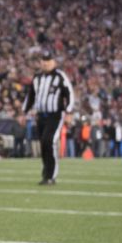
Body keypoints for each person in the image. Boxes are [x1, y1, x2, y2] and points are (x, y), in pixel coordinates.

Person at [22, 50, 74, 185]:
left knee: (49, 141)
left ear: (53, 62)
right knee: (43, 144)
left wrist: (69, 111)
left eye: (48, 61)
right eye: (43, 61)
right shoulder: (37, 77)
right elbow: (31, 96)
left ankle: (51, 175)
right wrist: (24, 112)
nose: (45, 64)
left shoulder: (60, 76)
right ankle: (46, 174)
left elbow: (69, 93)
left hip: (55, 115)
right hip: (41, 116)